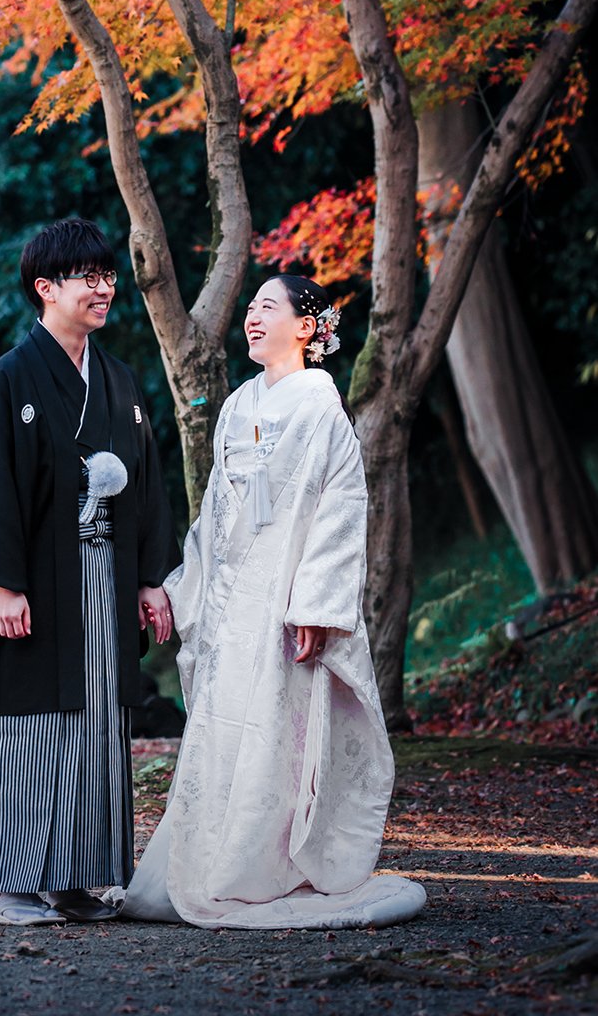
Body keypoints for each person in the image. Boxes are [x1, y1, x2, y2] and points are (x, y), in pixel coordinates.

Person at [120, 273, 427, 930]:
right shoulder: (235, 406)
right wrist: (182, 590)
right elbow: (217, 517)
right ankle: (210, 861)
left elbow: (341, 511)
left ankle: (265, 867)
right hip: (235, 601)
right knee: (224, 727)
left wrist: (315, 606)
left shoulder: (321, 407)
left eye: (268, 307)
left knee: (279, 734)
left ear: (307, 327)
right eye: (250, 308)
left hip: (288, 604)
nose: (252, 318)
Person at [0, 215, 178, 927]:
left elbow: (147, 486)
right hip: (36, 583)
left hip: (104, 579)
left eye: (107, 276)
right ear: (44, 288)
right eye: (87, 277)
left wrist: (149, 578)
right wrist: (3, 585)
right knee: (28, 725)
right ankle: (16, 886)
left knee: (96, 722)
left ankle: (77, 880)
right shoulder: (8, 379)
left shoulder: (118, 382)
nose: (104, 288)